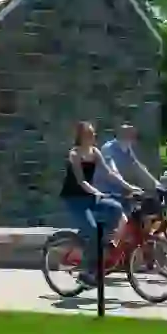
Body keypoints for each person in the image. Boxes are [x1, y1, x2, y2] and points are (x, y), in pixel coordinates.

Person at [61, 121, 136, 286]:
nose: (93, 136)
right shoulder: (74, 154)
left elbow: (109, 173)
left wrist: (130, 188)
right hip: (75, 199)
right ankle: (88, 271)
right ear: (81, 136)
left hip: (90, 197)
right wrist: (96, 192)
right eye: (89, 134)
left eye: (93, 133)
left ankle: (104, 242)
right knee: (93, 229)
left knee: (116, 208)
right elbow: (81, 181)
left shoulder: (95, 152)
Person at [99, 123, 160, 214]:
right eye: (129, 134)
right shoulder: (108, 148)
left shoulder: (127, 148)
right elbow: (113, 171)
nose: (133, 136)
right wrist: (129, 186)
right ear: (121, 134)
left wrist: (156, 183)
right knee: (123, 216)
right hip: (107, 192)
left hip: (123, 191)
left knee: (139, 213)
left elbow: (137, 166)